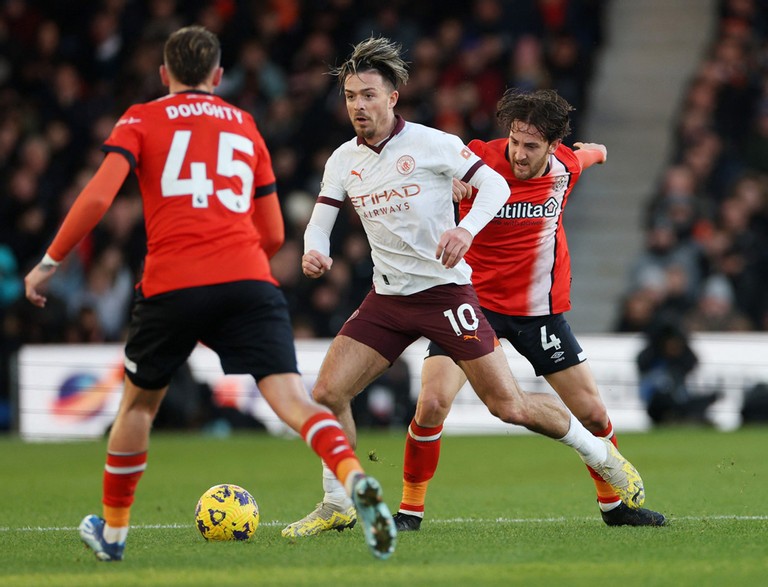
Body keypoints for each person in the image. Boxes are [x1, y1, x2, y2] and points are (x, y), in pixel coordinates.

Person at [23, 26, 395, 562]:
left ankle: (114, 532)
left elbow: (100, 194)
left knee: (138, 406)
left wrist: (49, 263)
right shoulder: (245, 125)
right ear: (218, 77)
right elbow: (270, 234)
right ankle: (354, 477)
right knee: (292, 399)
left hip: (171, 281)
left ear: (163, 75)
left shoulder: (141, 117)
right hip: (246, 277)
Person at [282, 37, 646, 539]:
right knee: (328, 392)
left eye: (368, 95)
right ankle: (340, 501)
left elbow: (570, 161)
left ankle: (602, 457)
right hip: (387, 298)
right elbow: (321, 220)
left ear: (392, 98)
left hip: (453, 297)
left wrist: (464, 229)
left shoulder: (435, 144)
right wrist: (313, 249)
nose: (358, 105)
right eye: (350, 96)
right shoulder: (344, 159)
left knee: (510, 406)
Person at [390, 88, 667, 532]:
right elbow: (418, 170)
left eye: (531, 146)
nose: (519, 153)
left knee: (594, 414)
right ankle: (409, 511)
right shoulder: (476, 159)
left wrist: (599, 151)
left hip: (539, 313)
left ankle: (616, 506)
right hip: (470, 305)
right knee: (433, 403)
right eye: (515, 141)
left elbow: (591, 154)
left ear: (554, 147)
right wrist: (449, 182)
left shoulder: (565, 169)